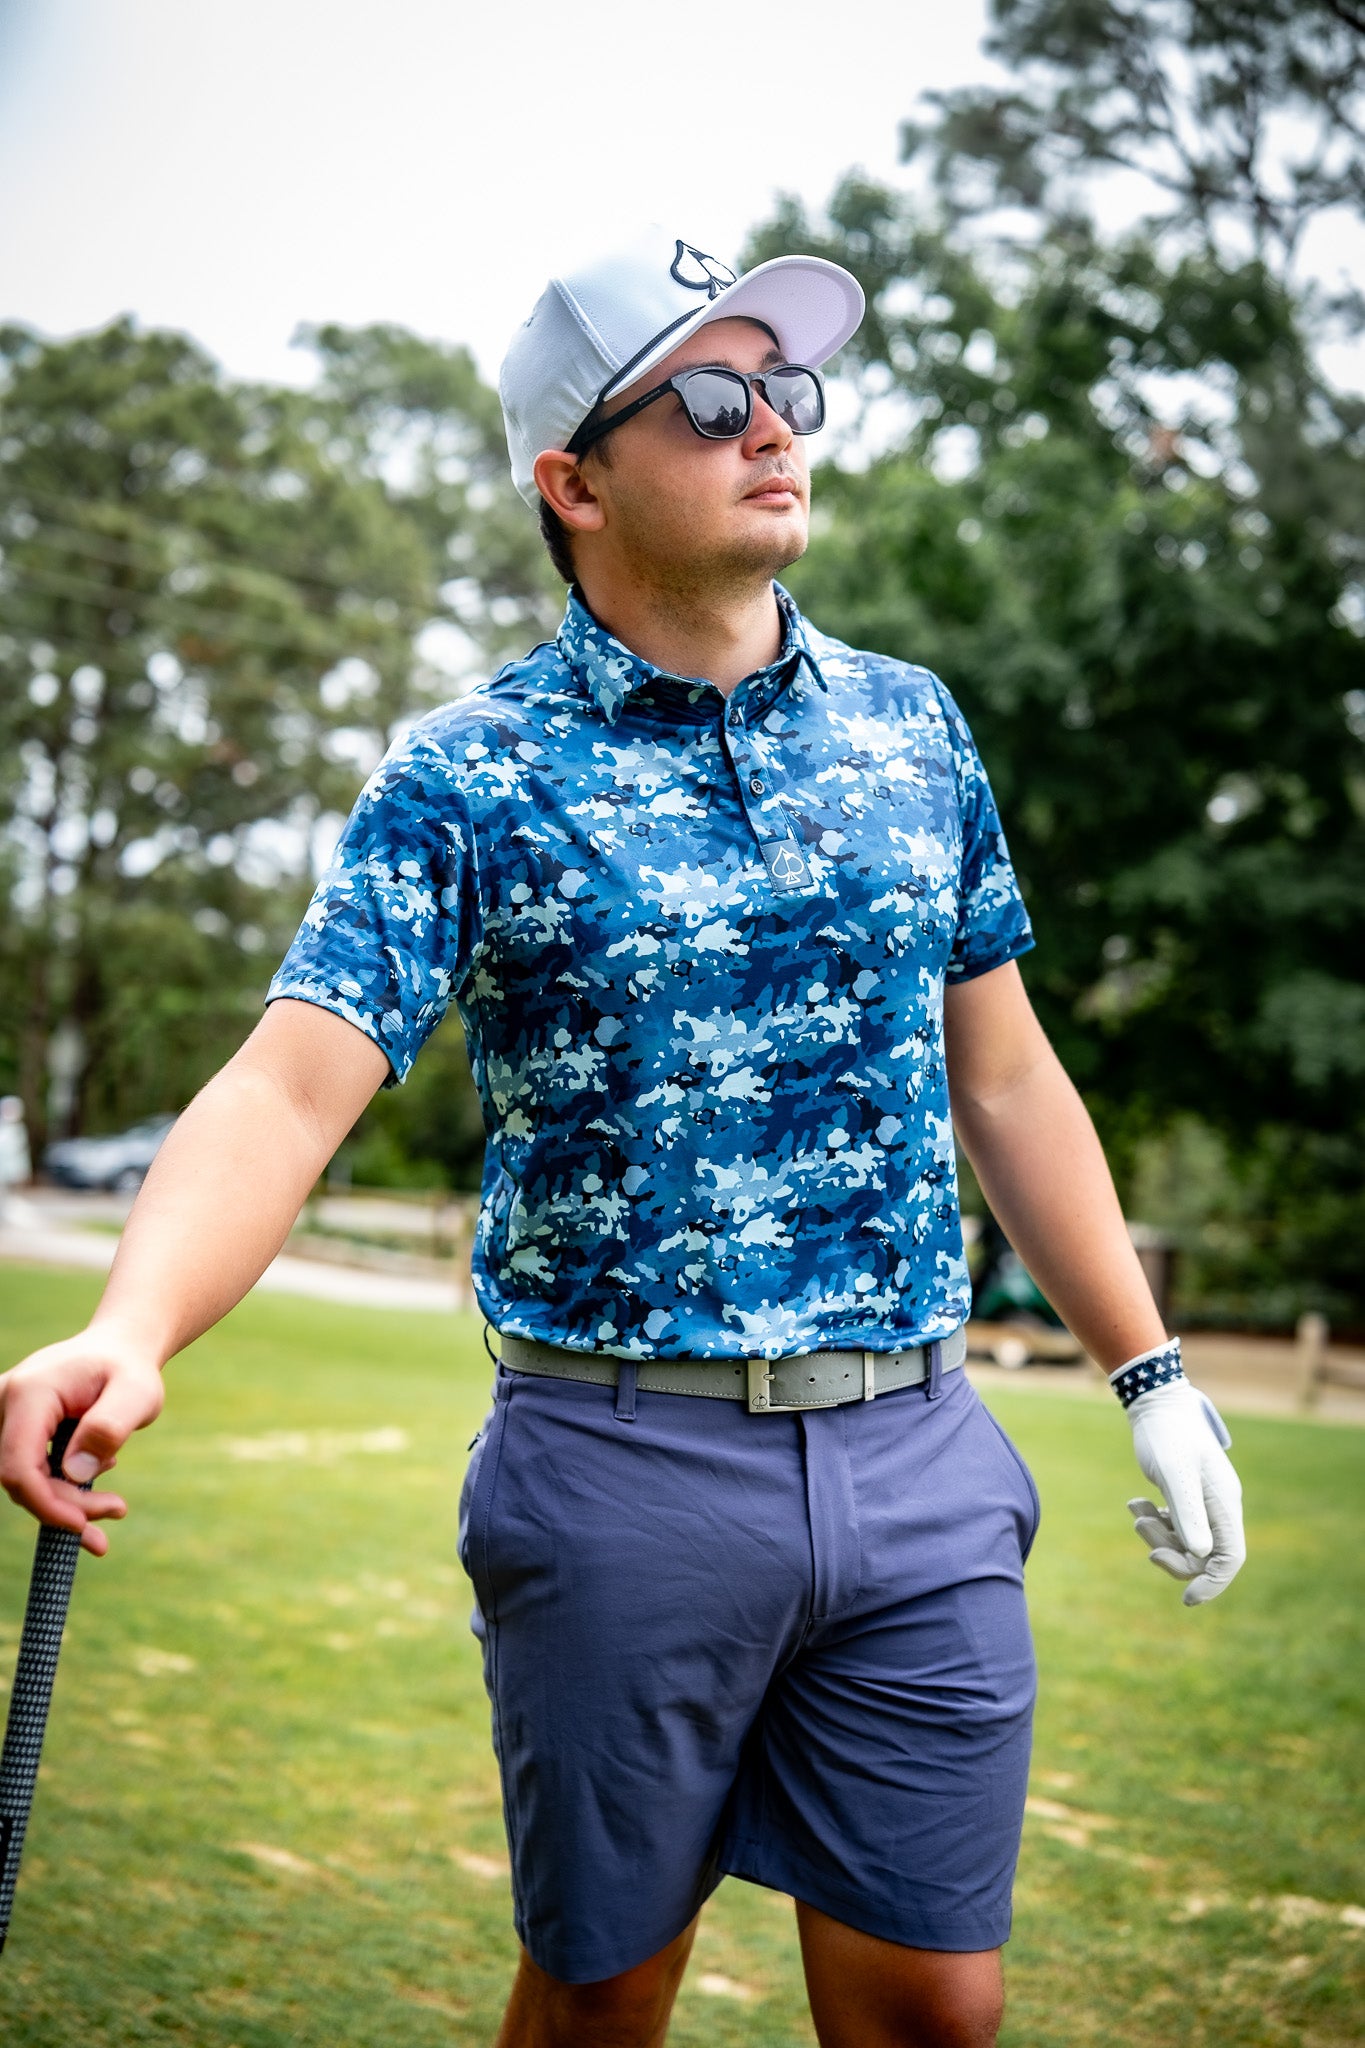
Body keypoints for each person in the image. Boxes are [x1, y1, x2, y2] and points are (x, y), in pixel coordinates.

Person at [0, 231, 1246, 2048]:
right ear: (571, 482)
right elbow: (290, 1082)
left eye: (790, 388)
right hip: (618, 1472)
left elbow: (1006, 1077)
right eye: (713, 396)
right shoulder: (469, 770)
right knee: (602, 2000)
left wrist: (1147, 1372)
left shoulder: (915, 730)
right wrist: (129, 1326)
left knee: (937, 2013)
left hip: (918, 1459)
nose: (775, 428)